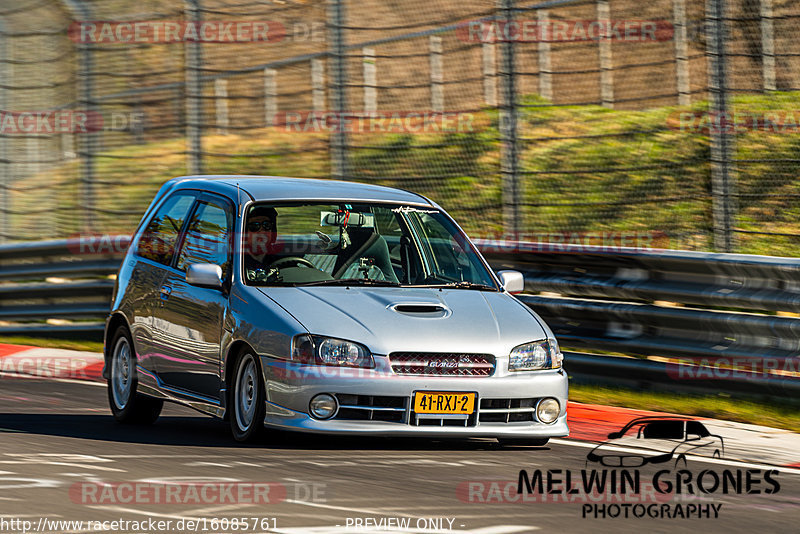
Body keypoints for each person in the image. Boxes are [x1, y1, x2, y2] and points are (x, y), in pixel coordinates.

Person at [243, 206, 280, 281]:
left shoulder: (281, 261)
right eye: (254, 226)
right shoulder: (237, 264)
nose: (262, 231)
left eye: (266, 225)